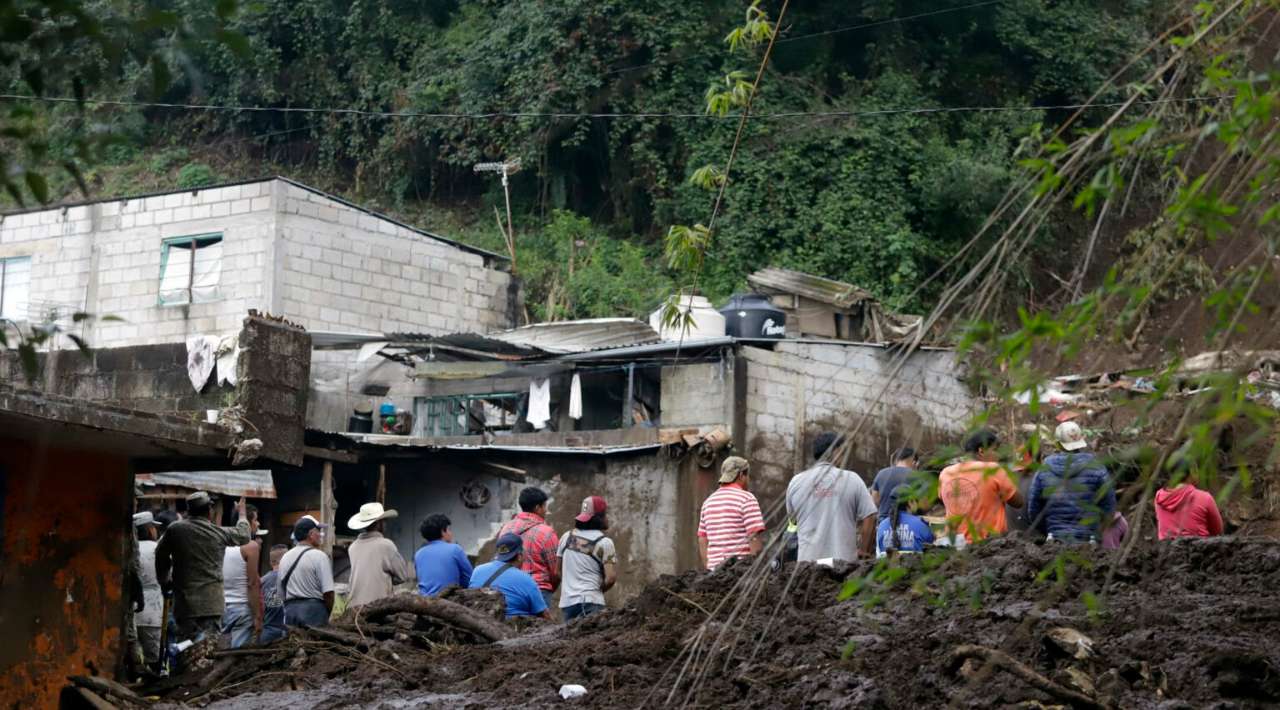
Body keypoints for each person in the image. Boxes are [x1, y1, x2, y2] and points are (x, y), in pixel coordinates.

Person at [154, 492, 251, 640]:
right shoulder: (217, 532)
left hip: (185, 605)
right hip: (211, 605)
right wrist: (242, 514)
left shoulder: (175, 530)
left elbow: (161, 556)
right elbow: (244, 535)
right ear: (209, 510)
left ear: (189, 511)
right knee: (207, 652)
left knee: (185, 650)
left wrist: (164, 581)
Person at [786, 433, 877, 562]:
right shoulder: (852, 479)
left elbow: (793, 520)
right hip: (843, 566)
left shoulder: (796, 482)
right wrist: (863, 550)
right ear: (836, 451)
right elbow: (871, 515)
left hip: (807, 566)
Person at [1027, 421, 1116, 543]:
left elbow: (1033, 509)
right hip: (1089, 542)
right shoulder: (1096, 467)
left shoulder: (1044, 469)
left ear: (1058, 444)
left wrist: (1049, 529)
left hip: (1055, 539)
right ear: (1080, 442)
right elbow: (1109, 507)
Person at [938, 429, 1025, 544]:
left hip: (955, 545)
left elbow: (942, 499)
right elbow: (1018, 502)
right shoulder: (993, 470)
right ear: (982, 451)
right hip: (988, 546)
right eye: (995, 450)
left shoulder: (946, 473)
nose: (998, 456)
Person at [555, 496, 618, 622]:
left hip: (568, 604)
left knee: (568, 640)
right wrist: (597, 591)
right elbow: (610, 578)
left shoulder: (566, 537)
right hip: (591, 602)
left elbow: (557, 572)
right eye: (605, 514)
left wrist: (571, 587)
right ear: (599, 518)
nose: (607, 518)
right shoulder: (605, 543)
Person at [699, 456, 766, 570]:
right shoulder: (747, 499)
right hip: (738, 573)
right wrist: (756, 569)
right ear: (741, 476)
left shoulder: (708, 502)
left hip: (713, 574)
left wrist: (709, 569)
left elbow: (702, 539)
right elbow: (753, 536)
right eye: (747, 476)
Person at [497, 487, 560, 607]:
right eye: (544, 506)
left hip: (509, 589)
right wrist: (549, 589)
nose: (546, 511)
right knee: (540, 625)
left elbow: (501, 560)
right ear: (537, 508)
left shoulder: (506, 528)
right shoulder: (546, 532)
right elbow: (555, 572)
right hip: (538, 590)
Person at [467, 533, 554, 620]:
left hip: (478, 624)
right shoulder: (526, 580)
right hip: (512, 629)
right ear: (520, 556)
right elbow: (545, 615)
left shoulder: (477, 571)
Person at [345, 502, 408, 608]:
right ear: (380, 524)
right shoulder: (386, 545)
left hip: (354, 607)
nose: (386, 524)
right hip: (378, 607)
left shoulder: (353, 547)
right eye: (384, 521)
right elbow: (402, 576)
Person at [221, 505, 264, 648]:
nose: (257, 524)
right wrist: (258, 616)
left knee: (217, 651)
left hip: (220, 607)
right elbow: (252, 584)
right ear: (247, 523)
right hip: (241, 608)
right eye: (256, 520)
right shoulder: (250, 547)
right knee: (237, 656)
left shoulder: (220, 545)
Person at [279, 517, 335, 627]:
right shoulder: (320, 556)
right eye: (318, 531)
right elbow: (328, 593)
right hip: (314, 612)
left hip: (290, 612)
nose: (320, 535)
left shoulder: (284, 557)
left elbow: (281, 593)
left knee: (292, 644)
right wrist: (327, 613)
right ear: (311, 534)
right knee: (312, 644)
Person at [1154, 459, 1224, 539]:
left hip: (1167, 550)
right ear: (1192, 472)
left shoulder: (1159, 497)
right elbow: (1218, 532)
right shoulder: (1204, 498)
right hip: (1199, 549)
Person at [415, 513, 474, 596]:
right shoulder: (455, 549)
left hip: (425, 601)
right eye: (449, 529)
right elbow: (469, 578)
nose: (451, 533)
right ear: (443, 531)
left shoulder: (418, 554)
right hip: (450, 600)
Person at [133, 512, 164, 667]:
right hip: (154, 609)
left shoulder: (130, 549)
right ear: (151, 530)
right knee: (155, 657)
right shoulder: (158, 548)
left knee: (134, 657)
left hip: (131, 609)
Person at [876, 486, 935, 557]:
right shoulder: (921, 525)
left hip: (888, 567)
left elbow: (879, 555)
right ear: (910, 502)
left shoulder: (881, 526)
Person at [871, 447, 920, 522]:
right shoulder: (916, 476)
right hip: (908, 524)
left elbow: (875, 501)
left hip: (884, 522)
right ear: (914, 462)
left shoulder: (881, 473)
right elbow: (920, 505)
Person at [259, 544, 288, 643]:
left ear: (271, 562)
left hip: (268, 630)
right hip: (290, 631)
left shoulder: (262, 581)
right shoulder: (293, 578)